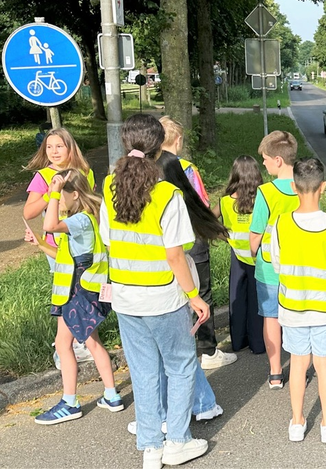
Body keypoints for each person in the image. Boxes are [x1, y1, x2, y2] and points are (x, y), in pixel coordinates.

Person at [100, 114, 210, 468]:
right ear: (158, 146)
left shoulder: (108, 185)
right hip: (163, 296)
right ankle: (177, 441)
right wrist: (194, 296)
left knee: (143, 370)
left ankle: (150, 447)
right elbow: (175, 255)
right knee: (179, 366)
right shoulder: (167, 194)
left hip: (126, 297)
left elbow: (107, 239)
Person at [26, 169, 121, 425]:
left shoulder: (80, 220)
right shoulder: (87, 219)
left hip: (76, 294)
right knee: (92, 342)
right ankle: (111, 395)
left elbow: (49, 224)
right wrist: (40, 244)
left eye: (61, 196)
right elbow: (66, 258)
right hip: (86, 290)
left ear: (75, 194)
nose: (57, 200)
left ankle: (69, 402)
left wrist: (52, 192)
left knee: (63, 345)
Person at [271, 158, 326, 444]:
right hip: (325, 309)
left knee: (297, 363)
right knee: (325, 364)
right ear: (323, 187)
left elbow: (278, 266)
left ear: (293, 187)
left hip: (293, 307)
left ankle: (297, 422)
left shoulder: (280, 225)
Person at [159, 116, 233, 370]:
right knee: (201, 291)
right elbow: (200, 205)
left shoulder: (146, 168)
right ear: (178, 140)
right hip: (191, 237)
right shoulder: (187, 169)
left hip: (161, 242)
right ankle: (208, 351)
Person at [23, 126, 96, 368]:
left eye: (59, 146)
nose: (54, 151)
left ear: (70, 147)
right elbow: (28, 212)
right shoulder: (42, 176)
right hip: (57, 247)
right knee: (64, 295)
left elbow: (91, 204)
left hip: (82, 244)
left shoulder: (85, 172)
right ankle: (63, 347)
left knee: (84, 292)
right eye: (49, 147)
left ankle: (82, 341)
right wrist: (51, 192)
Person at [249, 131, 299, 388]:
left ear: (278, 160)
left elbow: (256, 232)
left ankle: (276, 372)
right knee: (299, 317)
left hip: (269, 268)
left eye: (266, 159)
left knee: (271, 317)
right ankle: (302, 366)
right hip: (300, 267)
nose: (264, 164)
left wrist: (253, 252)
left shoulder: (265, 192)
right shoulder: (305, 186)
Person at [212, 155, 266, 355]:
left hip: (237, 255)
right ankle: (258, 342)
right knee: (257, 299)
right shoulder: (262, 199)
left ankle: (238, 341)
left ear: (233, 175)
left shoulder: (225, 202)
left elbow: (209, 220)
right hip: (258, 255)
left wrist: (225, 236)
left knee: (237, 297)